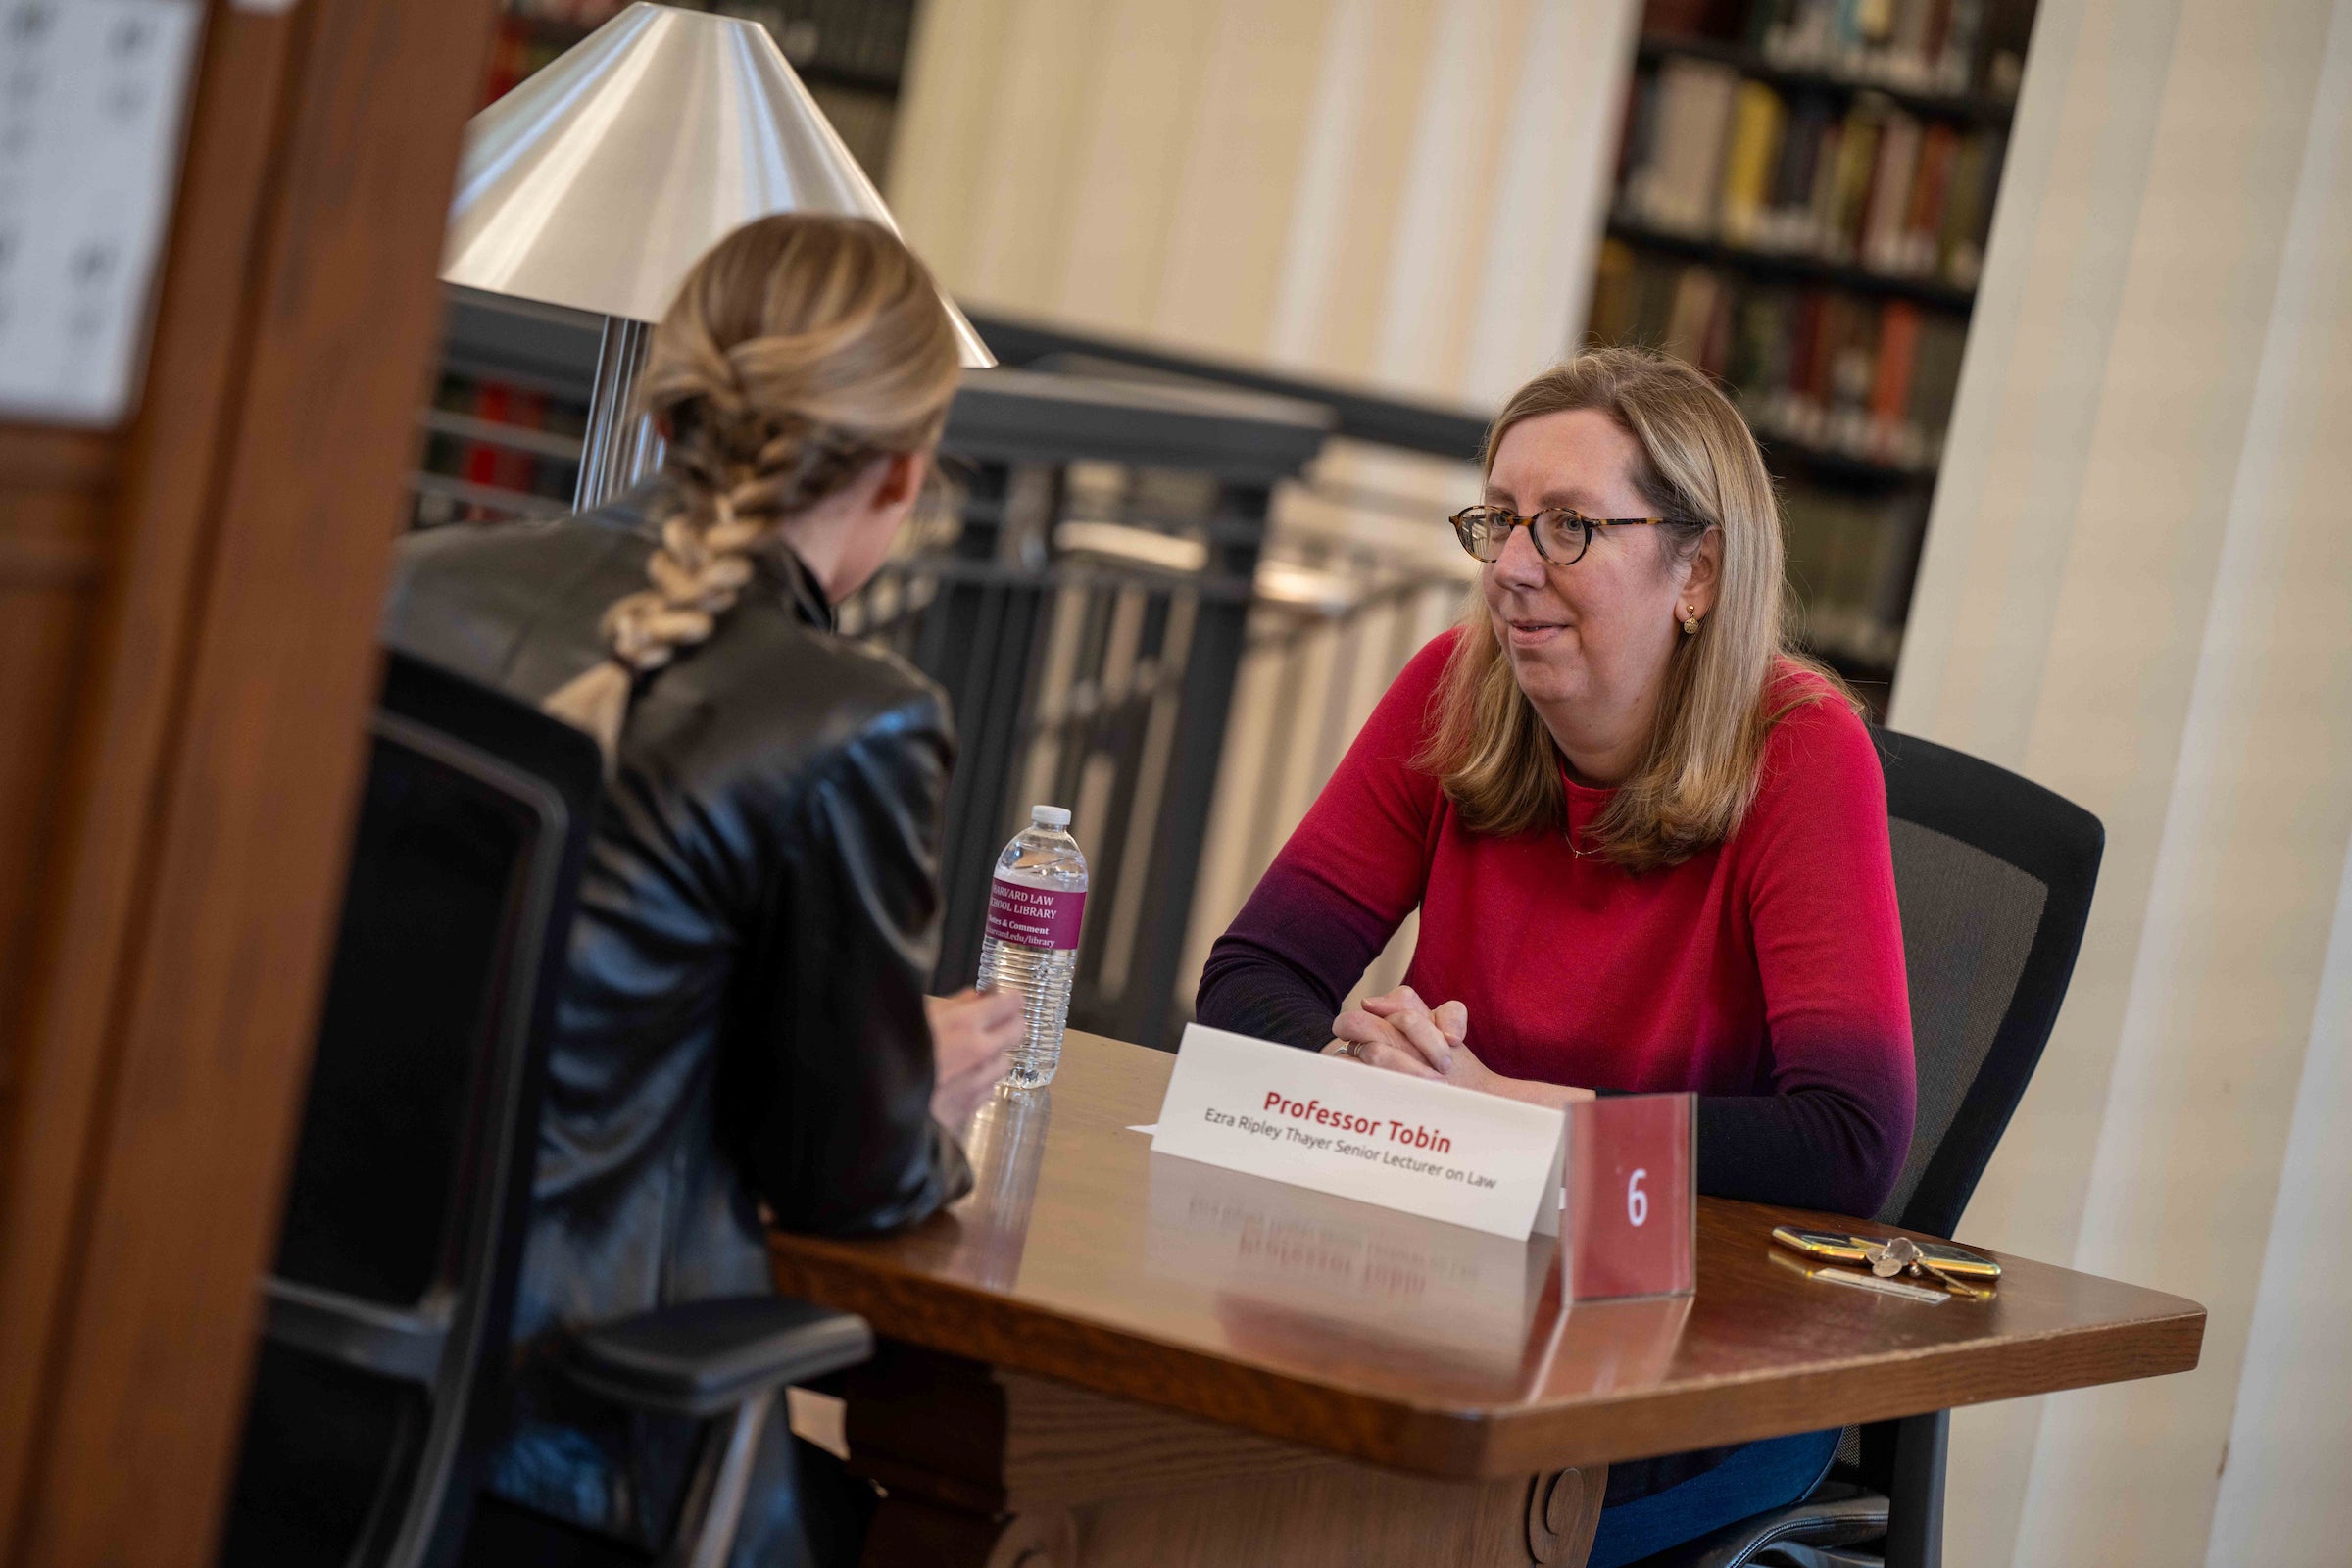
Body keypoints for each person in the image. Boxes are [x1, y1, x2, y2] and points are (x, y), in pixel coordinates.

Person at [1195, 346, 1915, 1566]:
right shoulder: (1453, 691)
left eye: (1570, 526)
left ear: (1698, 570)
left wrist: (1525, 1116)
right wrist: (1365, 1069)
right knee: (1203, 1446)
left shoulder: (1803, 748)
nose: (1512, 570)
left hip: (1687, 1359)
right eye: (1501, 522)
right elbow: (1246, 984)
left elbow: (1847, 1137)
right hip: (1454, 1296)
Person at [381, 214, 1019, 1567]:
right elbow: (846, 1177)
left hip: (263, 1385)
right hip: (561, 1461)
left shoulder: (407, 588)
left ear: (671, 408)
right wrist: (919, 1086)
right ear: (905, 473)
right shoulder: (851, 716)